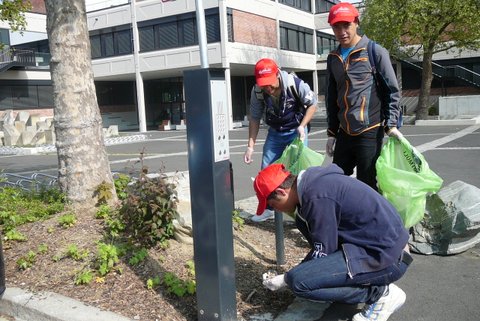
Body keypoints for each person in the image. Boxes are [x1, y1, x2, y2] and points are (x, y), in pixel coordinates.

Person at [253, 163, 412, 321]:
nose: (277, 211)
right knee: (301, 271)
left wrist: (287, 278)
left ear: (281, 192)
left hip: (388, 258)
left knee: (299, 282)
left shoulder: (317, 197)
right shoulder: (313, 186)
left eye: (272, 206)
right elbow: (322, 246)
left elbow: (323, 252)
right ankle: (372, 287)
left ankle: (381, 294)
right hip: (381, 248)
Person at [325, 2, 403, 191]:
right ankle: (345, 218)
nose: (342, 31)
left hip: (370, 130)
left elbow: (392, 90)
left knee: (366, 184)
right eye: (337, 26)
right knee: (336, 181)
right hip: (345, 132)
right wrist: (332, 133)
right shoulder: (333, 57)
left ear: (357, 22)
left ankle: (372, 220)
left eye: (346, 25)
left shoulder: (374, 51)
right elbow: (332, 97)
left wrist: (390, 124)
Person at [244, 58, 317, 221]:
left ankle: (304, 213)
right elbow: (254, 118)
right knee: (266, 171)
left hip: (296, 130)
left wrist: (302, 125)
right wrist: (250, 146)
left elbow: (312, 104)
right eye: (264, 84)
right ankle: (268, 209)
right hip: (276, 132)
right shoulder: (258, 91)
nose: (268, 88)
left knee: (298, 173)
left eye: (270, 83)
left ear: (277, 74)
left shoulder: (295, 84)